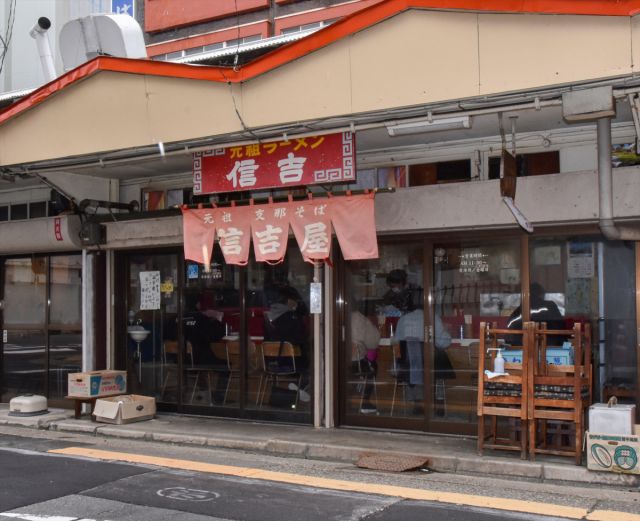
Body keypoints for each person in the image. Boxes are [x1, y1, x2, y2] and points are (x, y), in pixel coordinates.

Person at [392, 305, 453, 414]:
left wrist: (401, 359)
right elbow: (444, 342)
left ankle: (417, 404)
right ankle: (438, 404)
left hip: (409, 366)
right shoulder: (433, 318)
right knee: (439, 363)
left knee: (411, 366)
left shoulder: (403, 319)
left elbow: (396, 343)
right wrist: (447, 332)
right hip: (429, 364)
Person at [263, 285, 310, 402]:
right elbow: (301, 337)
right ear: (289, 301)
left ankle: (298, 388)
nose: (297, 304)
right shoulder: (291, 317)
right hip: (289, 361)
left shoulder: (268, 315)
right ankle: (300, 387)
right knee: (311, 362)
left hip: (271, 360)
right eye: (296, 301)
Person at [182, 293, 228, 403]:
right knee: (225, 368)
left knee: (200, 371)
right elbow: (214, 336)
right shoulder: (202, 320)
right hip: (201, 358)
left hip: (182, 359)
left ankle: (204, 392)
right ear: (198, 304)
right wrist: (218, 319)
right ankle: (218, 398)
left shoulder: (181, 318)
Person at [351, 309, 381, 414]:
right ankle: (365, 402)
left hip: (337, 362)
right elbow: (373, 342)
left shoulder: (335, 315)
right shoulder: (358, 317)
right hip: (355, 362)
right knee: (372, 368)